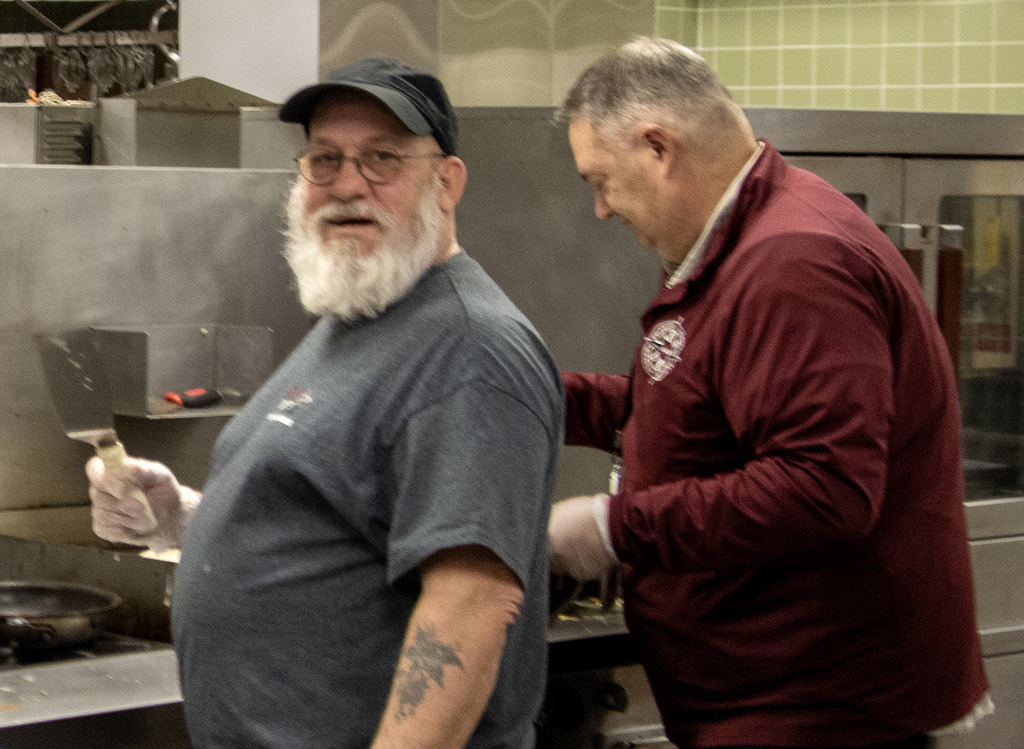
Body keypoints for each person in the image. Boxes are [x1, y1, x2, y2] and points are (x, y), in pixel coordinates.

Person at [86, 58, 564, 749]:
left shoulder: (469, 348)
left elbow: (472, 604)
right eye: (325, 160)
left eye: (382, 160)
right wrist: (180, 516)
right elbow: (332, 520)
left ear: (448, 183)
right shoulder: (358, 318)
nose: (347, 185)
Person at [547, 36, 990, 749]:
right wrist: (544, 398)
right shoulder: (742, 236)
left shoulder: (793, 260)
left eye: (600, 179)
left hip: (818, 704)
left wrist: (610, 527)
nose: (600, 208)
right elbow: (696, 407)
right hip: (764, 692)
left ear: (659, 147)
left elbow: (823, 488)